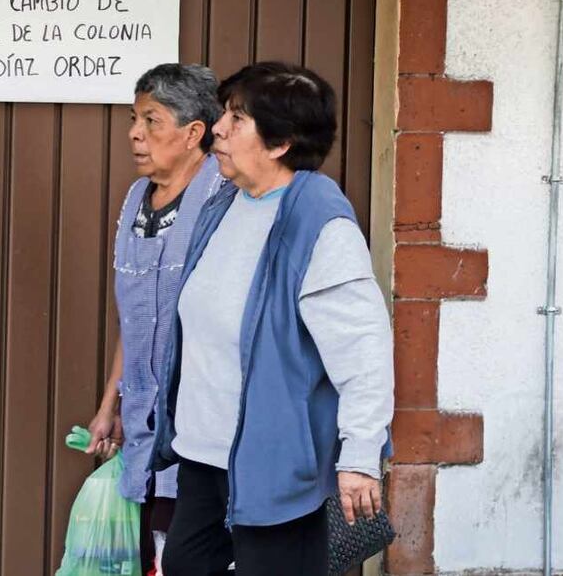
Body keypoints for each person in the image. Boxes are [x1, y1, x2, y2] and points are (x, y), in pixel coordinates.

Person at [151, 62, 394, 576]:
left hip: (276, 468)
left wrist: (359, 459)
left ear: (280, 143)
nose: (217, 128)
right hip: (204, 458)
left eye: (237, 120)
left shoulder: (319, 225)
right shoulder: (227, 204)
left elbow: (364, 353)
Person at [86, 63, 224, 574]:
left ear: (193, 134)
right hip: (146, 420)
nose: (135, 134)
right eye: (134, 119)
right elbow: (137, 316)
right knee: (155, 555)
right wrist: (110, 405)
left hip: (200, 422)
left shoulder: (221, 200)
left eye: (151, 120)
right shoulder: (136, 200)